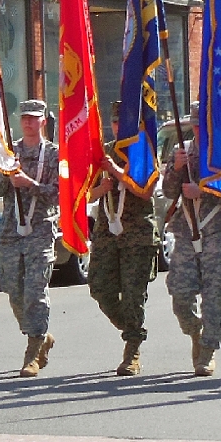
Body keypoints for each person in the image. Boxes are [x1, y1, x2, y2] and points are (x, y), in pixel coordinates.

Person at [162, 101, 221, 376]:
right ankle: (195, 330)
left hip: (215, 230)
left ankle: (207, 350)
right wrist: (176, 169)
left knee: (215, 293)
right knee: (180, 294)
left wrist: (202, 190)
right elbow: (168, 191)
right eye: (193, 124)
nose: (197, 128)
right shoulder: (182, 151)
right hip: (185, 230)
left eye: (201, 123)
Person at [87, 101, 160, 376]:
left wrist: (117, 173)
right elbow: (87, 193)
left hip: (137, 234)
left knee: (132, 295)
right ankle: (132, 329)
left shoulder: (142, 149)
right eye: (115, 122)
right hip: (107, 231)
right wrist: (101, 187)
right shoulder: (104, 152)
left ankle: (132, 350)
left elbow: (146, 192)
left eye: (123, 122)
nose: (118, 127)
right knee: (99, 288)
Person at [0, 100, 59, 378]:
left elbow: (59, 193)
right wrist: (7, 174)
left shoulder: (53, 154)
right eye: (24, 118)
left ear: (42, 121)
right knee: (13, 289)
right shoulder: (9, 152)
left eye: (33, 119)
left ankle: (32, 351)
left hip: (40, 229)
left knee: (35, 291)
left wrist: (31, 185)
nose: (28, 123)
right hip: (10, 230)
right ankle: (41, 334)